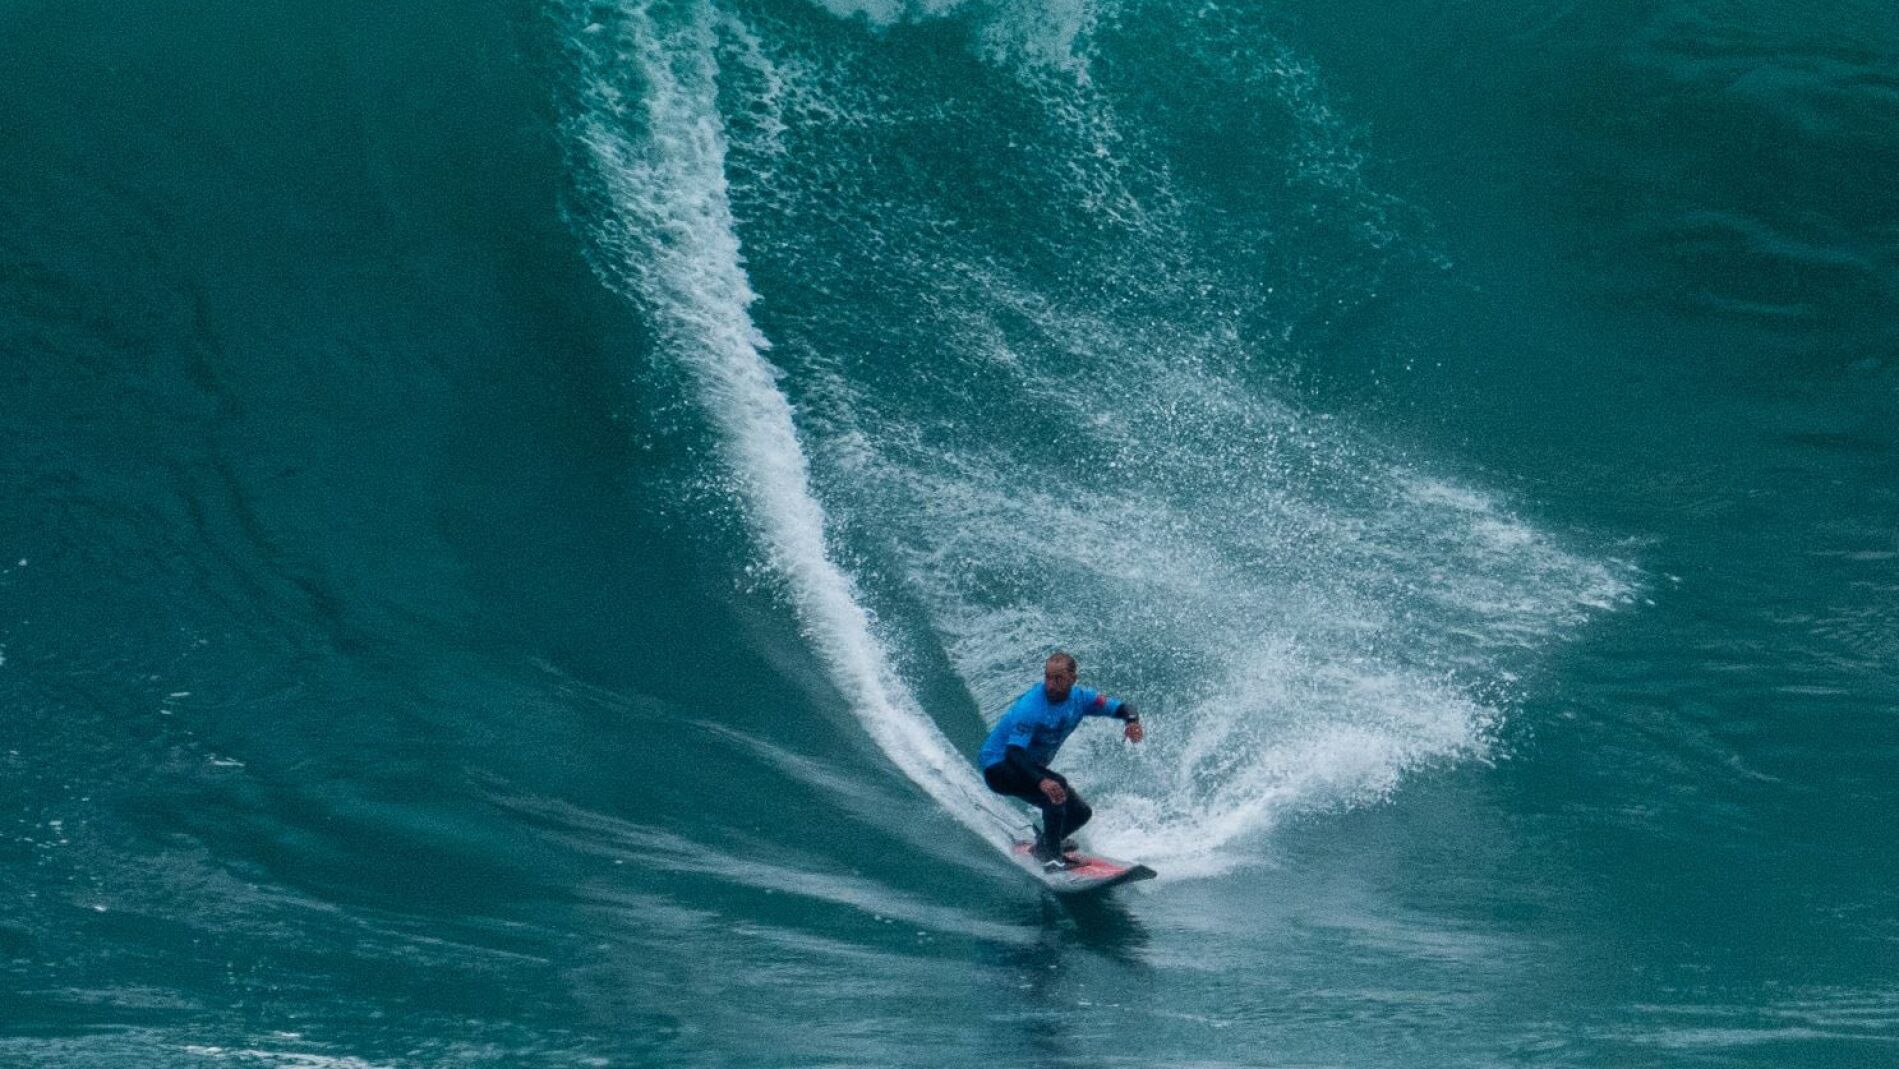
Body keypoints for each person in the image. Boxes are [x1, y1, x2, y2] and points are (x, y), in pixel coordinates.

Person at [979, 651, 1143, 867]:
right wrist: (1041, 780)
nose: (1050, 685)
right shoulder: (1030, 707)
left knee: (1080, 813)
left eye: (1058, 679)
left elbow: (1122, 708)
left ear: (1073, 679)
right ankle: (1052, 858)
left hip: (1024, 766)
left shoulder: (1082, 699)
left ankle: (1045, 846)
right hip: (999, 767)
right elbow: (1014, 753)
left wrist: (1131, 721)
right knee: (1056, 788)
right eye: (1047, 677)